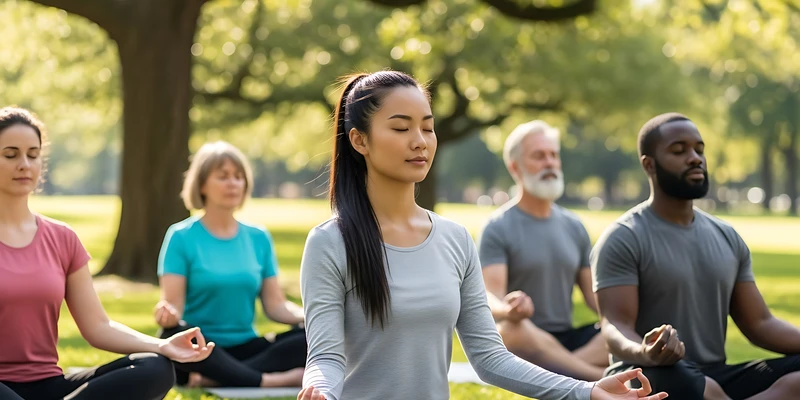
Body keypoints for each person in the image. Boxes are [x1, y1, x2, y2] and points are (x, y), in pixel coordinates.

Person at [296, 71, 668, 400]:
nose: (420, 141)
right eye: (400, 127)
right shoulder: (330, 242)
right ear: (360, 141)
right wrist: (321, 392)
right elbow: (325, 359)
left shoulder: (454, 239)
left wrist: (586, 391)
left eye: (427, 127)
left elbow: (490, 358)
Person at [0, 106, 215, 400]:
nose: (24, 164)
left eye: (33, 154)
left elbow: (98, 326)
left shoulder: (62, 238)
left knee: (155, 367)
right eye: (10, 155)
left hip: (50, 385)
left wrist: (161, 346)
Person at [591, 112, 800, 399]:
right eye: (679, 151)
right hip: (648, 374)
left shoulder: (727, 237)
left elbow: (760, 324)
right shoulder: (623, 237)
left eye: (699, 150)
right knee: (688, 381)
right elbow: (615, 326)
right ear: (649, 165)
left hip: (714, 374)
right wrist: (646, 351)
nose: (694, 158)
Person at [155, 140, 307, 389]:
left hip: (248, 348)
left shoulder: (259, 237)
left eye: (238, 177)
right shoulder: (180, 236)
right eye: (223, 176)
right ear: (202, 184)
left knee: (308, 337)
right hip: (202, 347)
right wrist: (167, 314)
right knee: (171, 338)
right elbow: (173, 305)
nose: (233, 183)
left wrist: (310, 317)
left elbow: (276, 306)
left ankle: (219, 377)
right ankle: (271, 381)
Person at [478, 120, 608, 381]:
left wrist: (627, 319)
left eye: (553, 155)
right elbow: (489, 297)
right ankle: (595, 378)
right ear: (515, 167)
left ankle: (563, 372)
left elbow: (594, 297)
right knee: (511, 330)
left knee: (618, 331)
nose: (549, 162)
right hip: (526, 338)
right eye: (539, 156)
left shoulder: (574, 226)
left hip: (568, 340)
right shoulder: (498, 227)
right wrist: (510, 310)